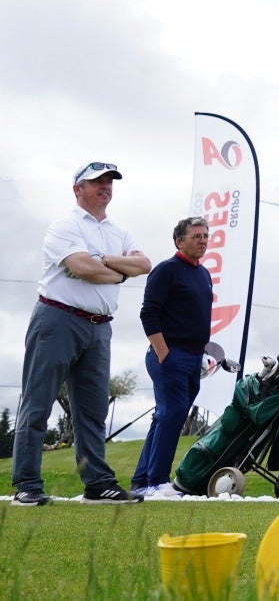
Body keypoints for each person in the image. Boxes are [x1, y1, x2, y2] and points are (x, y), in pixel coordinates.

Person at [11, 161, 152, 506]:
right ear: (78, 189)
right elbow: (81, 267)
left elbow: (144, 265)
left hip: (99, 327)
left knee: (92, 411)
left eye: (109, 181)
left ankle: (97, 483)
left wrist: (103, 259)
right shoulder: (65, 226)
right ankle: (27, 484)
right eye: (97, 181)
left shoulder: (119, 232)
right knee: (37, 402)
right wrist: (120, 271)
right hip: (57, 320)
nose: (105, 186)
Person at [130, 216, 215, 497]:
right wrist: (164, 353)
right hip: (169, 355)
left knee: (167, 416)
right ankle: (156, 481)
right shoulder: (166, 270)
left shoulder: (203, 274)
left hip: (193, 358)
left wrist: (202, 352)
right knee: (172, 414)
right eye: (196, 236)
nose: (203, 240)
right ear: (179, 241)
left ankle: (142, 481)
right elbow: (148, 313)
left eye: (205, 235)